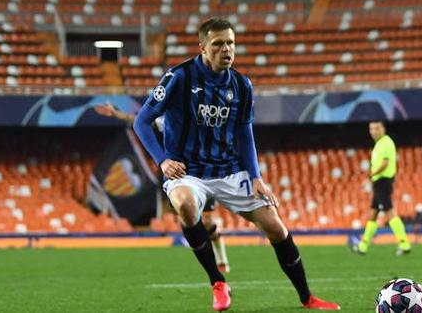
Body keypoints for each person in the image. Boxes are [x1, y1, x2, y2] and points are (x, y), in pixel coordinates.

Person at [132, 17, 340, 311]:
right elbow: (142, 121)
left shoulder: (242, 86)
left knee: (276, 227)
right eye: (218, 44)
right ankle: (217, 282)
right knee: (185, 204)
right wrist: (163, 160)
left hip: (229, 170)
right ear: (203, 47)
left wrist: (255, 177)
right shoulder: (179, 77)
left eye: (230, 43)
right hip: (188, 171)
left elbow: (245, 133)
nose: (226, 49)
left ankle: (307, 297)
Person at [95, 101, 230, 273]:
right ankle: (206, 258)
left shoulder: (197, 114)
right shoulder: (162, 120)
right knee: (188, 215)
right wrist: (116, 114)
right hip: (177, 176)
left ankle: (221, 255)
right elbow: (136, 120)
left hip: (202, 172)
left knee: (208, 221)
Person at [351, 121, 412, 255]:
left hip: (383, 180)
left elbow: (385, 163)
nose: (374, 131)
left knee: (389, 211)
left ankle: (404, 243)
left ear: (383, 129)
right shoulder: (380, 143)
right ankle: (363, 245)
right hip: (379, 181)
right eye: (371, 128)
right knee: (373, 212)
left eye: (377, 128)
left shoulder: (385, 142)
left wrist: (373, 173)